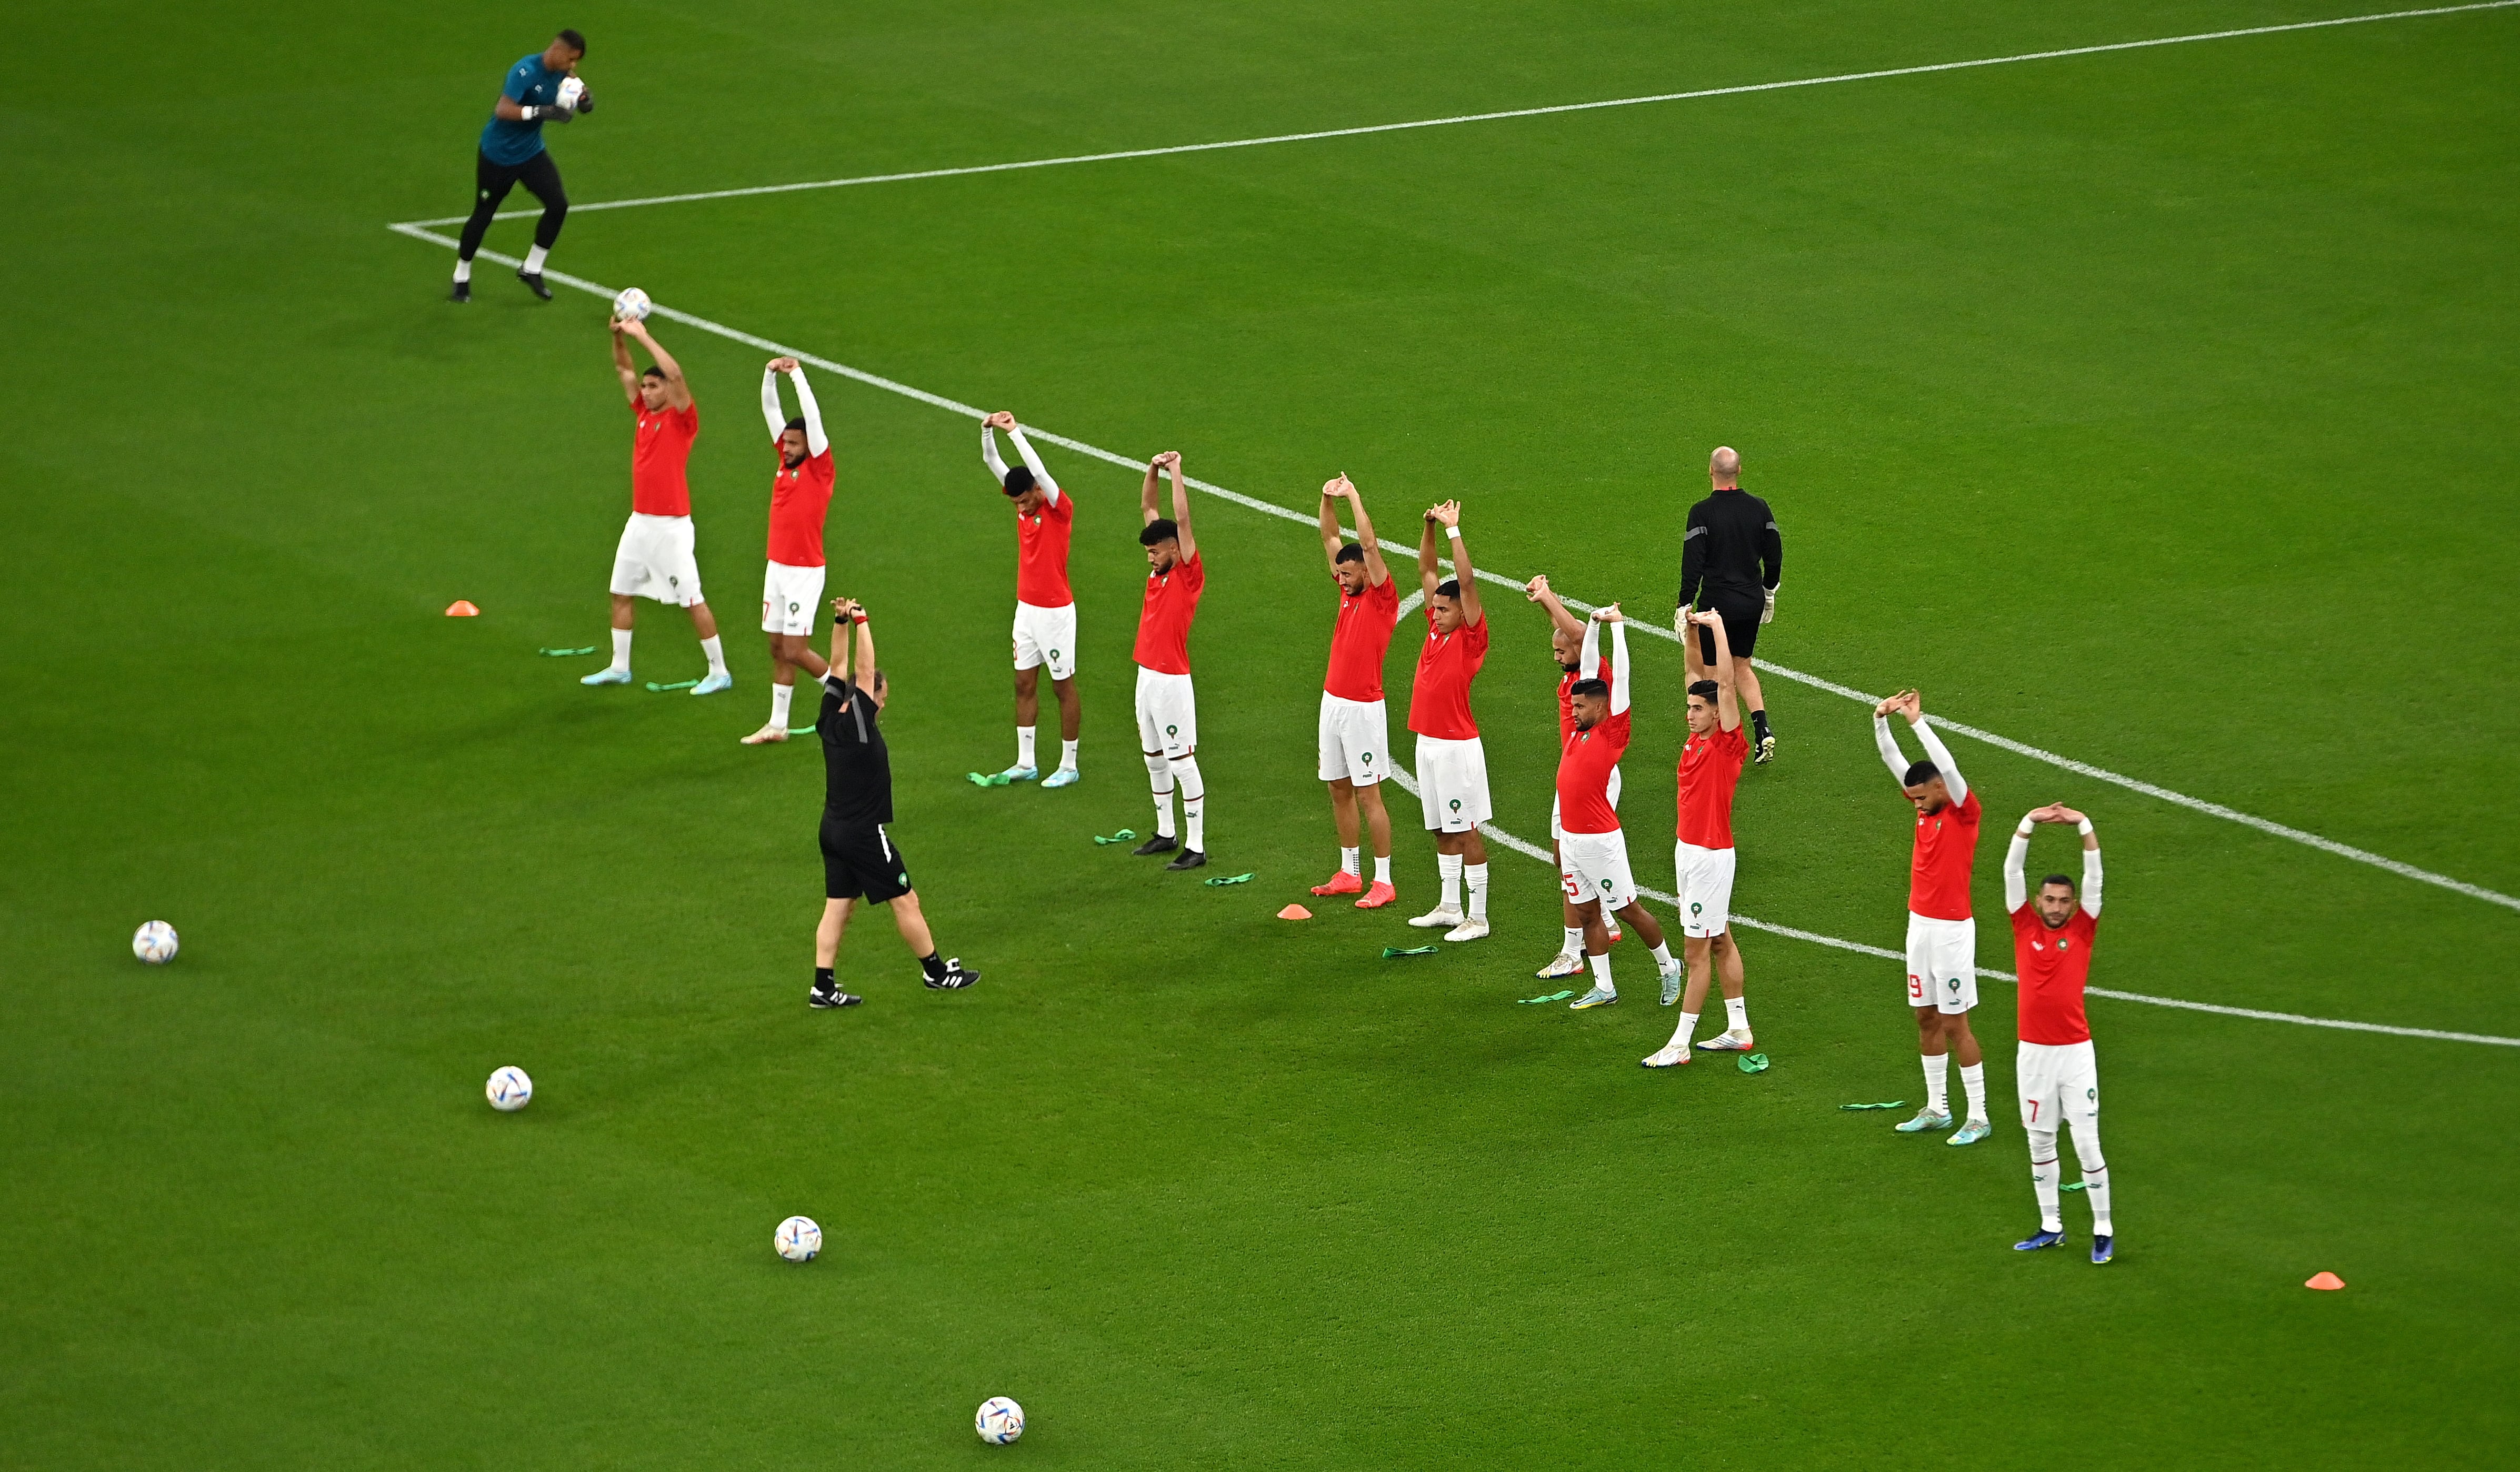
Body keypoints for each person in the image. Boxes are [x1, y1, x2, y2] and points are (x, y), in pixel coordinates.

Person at [808, 598, 980, 1007]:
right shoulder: (861, 724)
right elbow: (863, 670)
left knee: (839, 906)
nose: (883, 702)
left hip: (832, 828)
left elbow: (838, 665)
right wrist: (861, 619)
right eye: (882, 696)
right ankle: (937, 973)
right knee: (906, 898)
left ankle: (823, 986)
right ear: (873, 695)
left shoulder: (830, 716)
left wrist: (839, 621)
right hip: (863, 833)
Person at [581, 316, 731, 694]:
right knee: (620, 592)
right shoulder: (644, 415)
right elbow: (623, 367)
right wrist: (618, 337)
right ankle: (620, 666)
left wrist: (643, 336)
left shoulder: (683, 420)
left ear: (666, 388)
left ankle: (718, 671)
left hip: (672, 528)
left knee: (691, 600)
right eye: (645, 387)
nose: (646, 392)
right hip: (640, 523)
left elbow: (677, 375)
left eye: (653, 386)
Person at [1875, 690, 1989, 1142]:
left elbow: (1951, 768)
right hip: (1918, 926)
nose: (1917, 805)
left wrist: (1916, 723)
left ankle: (1978, 1115)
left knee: (1955, 1022)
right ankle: (1937, 1108)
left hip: (1952, 932)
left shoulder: (1964, 812)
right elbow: (1890, 759)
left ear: (1941, 789)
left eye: (1922, 797)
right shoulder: (1925, 804)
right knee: (1924, 1017)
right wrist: (1880, 719)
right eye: (1914, 798)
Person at [1556, 607, 1682, 1009]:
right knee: (1588, 915)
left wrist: (1621, 628)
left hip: (1600, 840)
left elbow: (1621, 678)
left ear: (1600, 708)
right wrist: (1592, 624)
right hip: (1574, 839)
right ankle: (1605, 987)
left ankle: (1668, 966)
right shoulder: (1581, 729)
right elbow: (1589, 664)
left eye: (1580, 708)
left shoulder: (1612, 733)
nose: (1573, 713)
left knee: (1627, 909)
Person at [1644, 610, 1756, 1063]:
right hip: (1689, 851)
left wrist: (1717, 626)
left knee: (1695, 953)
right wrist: (1691, 630)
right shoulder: (1696, 737)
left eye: (1697, 709)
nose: (1689, 714)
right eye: (1689, 707)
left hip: (1709, 856)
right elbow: (1696, 673)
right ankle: (1738, 1027)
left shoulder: (1728, 743)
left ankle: (1680, 1044)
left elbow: (1726, 684)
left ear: (1717, 713)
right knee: (1720, 938)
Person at [2005, 803, 2114, 1264]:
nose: (2054, 907)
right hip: (2032, 1054)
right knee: (2040, 1141)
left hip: (2075, 1054)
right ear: (2039, 900)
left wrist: (2084, 825)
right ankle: (2052, 1225)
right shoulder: (2023, 923)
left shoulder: (2084, 930)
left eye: (2061, 902)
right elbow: (2011, 869)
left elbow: (2096, 879)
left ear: (2073, 905)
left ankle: (2103, 1230)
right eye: (2048, 900)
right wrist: (2028, 822)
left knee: (2087, 1141)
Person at [1404, 501, 1492, 942]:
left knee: (1466, 828)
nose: (1435, 613)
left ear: (1462, 612)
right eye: (1435, 608)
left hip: (1457, 746)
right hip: (1428, 743)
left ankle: (1478, 916)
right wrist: (1428, 528)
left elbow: (1469, 582)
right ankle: (1449, 905)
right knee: (1440, 827)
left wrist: (1455, 531)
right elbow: (1425, 570)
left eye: (1443, 608)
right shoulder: (1436, 630)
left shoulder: (1471, 638)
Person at [1311, 475, 1400, 908]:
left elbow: (1368, 545)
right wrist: (1327, 497)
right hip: (1333, 704)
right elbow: (1330, 534)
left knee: (1369, 794)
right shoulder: (1349, 590)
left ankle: (1383, 881)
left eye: (1348, 575)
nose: (1341, 581)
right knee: (1338, 788)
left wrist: (1355, 497)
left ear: (1366, 571)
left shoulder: (1382, 597)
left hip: (1364, 707)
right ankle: (1350, 872)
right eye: (1339, 574)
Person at [451, 30, 592, 303]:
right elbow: (503, 110)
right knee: (484, 214)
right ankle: (461, 276)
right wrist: (540, 112)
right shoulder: (525, 71)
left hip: (531, 154)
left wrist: (585, 100)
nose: (573, 66)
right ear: (558, 51)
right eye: (571, 60)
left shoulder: (565, 76)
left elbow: (583, 98)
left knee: (558, 205)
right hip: (498, 156)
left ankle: (532, 269)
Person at [1525, 576, 1622, 977]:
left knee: (1570, 860)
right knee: (1565, 856)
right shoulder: (1574, 677)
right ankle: (1606, 920)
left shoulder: (1592, 675)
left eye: (1560, 650)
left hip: (1590, 779)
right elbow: (1571, 634)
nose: (1555, 656)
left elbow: (1580, 635)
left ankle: (1572, 951)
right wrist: (1548, 603)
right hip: (1576, 776)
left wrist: (1549, 597)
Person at [981, 411, 1081, 787]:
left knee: (1062, 686)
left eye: (1025, 500)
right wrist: (986, 431)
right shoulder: (1022, 504)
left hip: (1056, 613)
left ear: (1038, 490)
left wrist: (1015, 432)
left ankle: (1069, 765)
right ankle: (1027, 762)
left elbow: (1038, 468)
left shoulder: (1058, 509)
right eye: (1016, 503)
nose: (1021, 508)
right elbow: (992, 461)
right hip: (1026, 611)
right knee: (1023, 683)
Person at [741, 359, 836, 744]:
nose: (787, 448)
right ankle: (778, 725)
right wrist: (768, 374)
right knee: (778, 647)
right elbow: (769, 407)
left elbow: (811, 417)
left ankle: (847, 694)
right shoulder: (785, 461)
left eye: (795, 444)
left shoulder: (820, 468)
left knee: (796, 650)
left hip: (803, 571)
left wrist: (796, 374)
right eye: (786, 443)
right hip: (777, 567)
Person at [1675, 447, 1782, 764]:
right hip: (1750, 601)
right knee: (1743, 666)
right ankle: (1763, 729)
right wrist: (1769, 591)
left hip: (1715, 607)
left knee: (1713, 675)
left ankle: (1716, 745)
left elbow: (1693, 561)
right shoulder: (1759, 509)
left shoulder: (1702, 512)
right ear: (1740, 471)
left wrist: (1685, 603)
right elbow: (1774, 555)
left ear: (1710, 471)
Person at [1130, 452, 1208, 870]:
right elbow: (1148, 507)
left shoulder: (1187, 573)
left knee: (1181, 762)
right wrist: (1152, 470)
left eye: (1156, 551)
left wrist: (1177, 469)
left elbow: (1182, 518)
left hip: (1172, 682)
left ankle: (1196, 845)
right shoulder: (1159, 570)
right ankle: (1165, 832)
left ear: (1175, 549)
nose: (1150, 557)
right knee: (1153, 756)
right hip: (1146, 675)